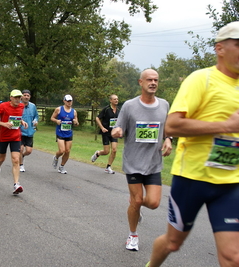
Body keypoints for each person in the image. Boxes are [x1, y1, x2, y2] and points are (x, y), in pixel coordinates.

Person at [146, 22, 239, 267]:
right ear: (220, 48)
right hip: (192, 179)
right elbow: (172, 126)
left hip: (230, 183)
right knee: (172, 243)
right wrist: (226, 126)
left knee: (233, 258)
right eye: (238, 45)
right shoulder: (202, 79)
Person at [111, 69, 172, 252]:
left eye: (156, 80)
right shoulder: (129, 106)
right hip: (134, 162)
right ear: (140, 82)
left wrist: (168, 138)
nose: (153, 82)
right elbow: (118, 127)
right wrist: (116, 132)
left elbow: (167, 128)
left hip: (153, 162)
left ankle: (135, 206)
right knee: (137, 200)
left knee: (153, 203)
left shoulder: (164, 105)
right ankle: (133, 235)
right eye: (149, 80)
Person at [0, 89, 28, 195]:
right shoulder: (3, 106)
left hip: (16, 136)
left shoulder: (21, 106)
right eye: (15, 97)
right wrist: (4, 124)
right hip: (3, 137)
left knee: (16, 159)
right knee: (2, 158)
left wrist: (22, 121)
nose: (17, 99)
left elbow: (17, 117)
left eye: (19, 97)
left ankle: (16, 184)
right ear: (10, 98)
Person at [51, 94, 79, 174]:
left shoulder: (74, 112)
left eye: (70, 101)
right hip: (60, 132)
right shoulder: (59, 109)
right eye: (68, 101)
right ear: (64, 101)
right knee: (62, 150)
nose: (69, 102)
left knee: (67, 151)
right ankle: (56, 157)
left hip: (69, 133)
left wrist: (75, 122)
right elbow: (52, 118)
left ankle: (62, 166)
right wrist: (56, 121)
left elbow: (77, 123)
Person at [91, 94, 120, 174]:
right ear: (110, 100)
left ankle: (108, 167)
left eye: (117, 99)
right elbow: (97, 118)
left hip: (114, 133)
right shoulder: (106, 109)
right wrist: (102, 128)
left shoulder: (118, 110)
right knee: (106, 151)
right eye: (114, 99)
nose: (116, 100)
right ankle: (98, 153)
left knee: (114, 150)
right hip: (106, 132)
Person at [19, 89, 39, 172]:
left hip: (29, 132)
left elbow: (36, 116)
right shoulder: (18, 105)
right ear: (21, 96)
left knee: (28, 151)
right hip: (20, 131)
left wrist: (36, 121)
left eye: (28, 95)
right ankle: (21, 165)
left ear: (30, 97)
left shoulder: (33, 106)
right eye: (25, 95)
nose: (26, 97)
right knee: (20, 149)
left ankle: (22, 156)